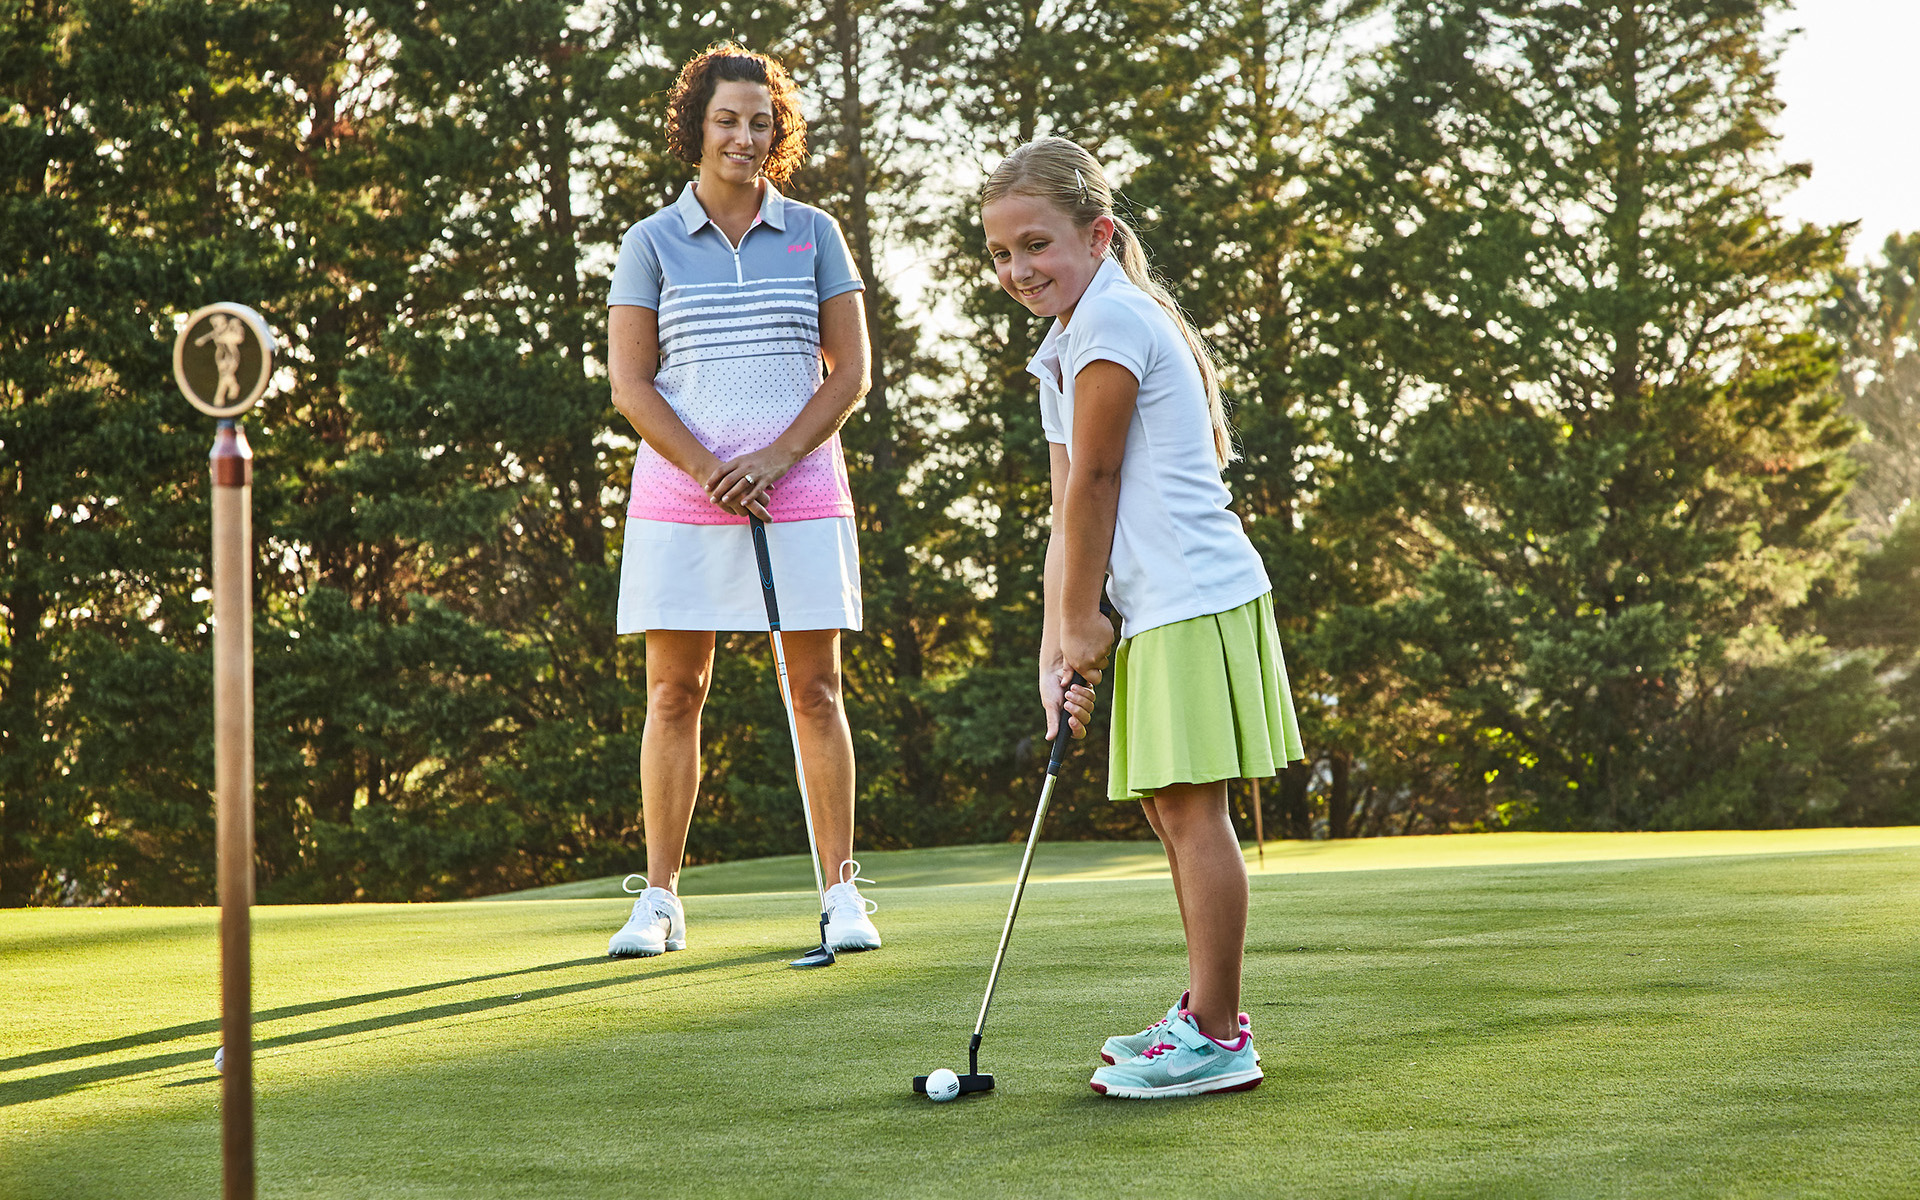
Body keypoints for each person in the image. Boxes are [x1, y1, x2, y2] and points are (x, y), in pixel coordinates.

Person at [980, 137, 1305, 1098]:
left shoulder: (1114, 321)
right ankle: (1205, 1011)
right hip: (1164, 604)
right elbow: (1062, 510)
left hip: (1194, 596)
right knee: (1171, 809)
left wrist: (1088, 618)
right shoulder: (1066, 342)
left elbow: (1098, 480)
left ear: (1098, 235)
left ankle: (1219, 1034)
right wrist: (1058, 646)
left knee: (1192, 812)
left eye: (1036, 244)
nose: (1018, 269)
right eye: (1000, 253)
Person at [604, 44, 880, 957]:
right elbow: (631, 386)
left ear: (777, 132)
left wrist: (775, 458)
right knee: (674, 693)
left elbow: (851, 372)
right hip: (680, 499)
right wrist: (710, 470)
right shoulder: (650, 242)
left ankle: (842, 892)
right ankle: (660, 900)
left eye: (761, 122)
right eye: (727, 119)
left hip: (800, 492)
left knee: (817, 691)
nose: (744, 136)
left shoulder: (814, 233)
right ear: (697, 126)